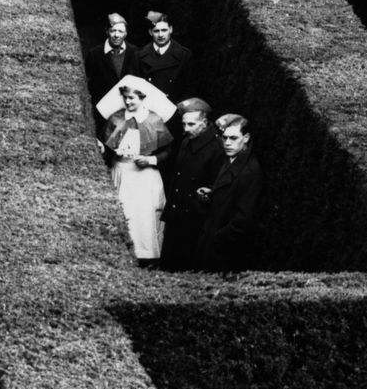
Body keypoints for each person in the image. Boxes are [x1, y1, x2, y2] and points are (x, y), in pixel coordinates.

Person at [96, 75, 175, 267]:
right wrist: (103, 148)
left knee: (145, 216)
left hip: (145, 176)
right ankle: (120, 254)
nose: (128, 101)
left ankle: (147, 257)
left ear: (142, 98)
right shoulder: (116, 118)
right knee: (123, 211)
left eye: (132, 98)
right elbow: (107, 145)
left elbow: (168, 150)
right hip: (122, 171)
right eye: (126, 98)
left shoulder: (154, 120)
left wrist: (150, 159)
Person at [162, 97, 220, 271]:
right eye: (184, 124)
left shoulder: (216, 148)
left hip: (194, 218)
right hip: (177, 213)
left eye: (191, 124)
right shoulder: (187, 141)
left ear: (205, 122)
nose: (186, 129)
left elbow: (216, 183)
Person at [199, 113, 262, 272]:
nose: (227, 143)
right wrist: (211, 193)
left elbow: (244, 217)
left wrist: (218, 239)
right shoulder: (230, 160)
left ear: (246, 138)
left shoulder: (250, 171)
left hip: (226, 251)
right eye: (224, 138)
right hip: (214, 241)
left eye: (233, 138)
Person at [132, 12, 194, 103]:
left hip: (174, 108)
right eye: (156, 31)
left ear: (171, 29)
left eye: (164, 30)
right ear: (150, 32)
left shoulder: (184, 55)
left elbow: (189, 88)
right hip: (148, 109)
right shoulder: (139, 55)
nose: (160, 35)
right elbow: (134, 88)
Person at [84, 12, 136, 107]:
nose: (116, 35)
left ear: (126, 33)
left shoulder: (134, 52)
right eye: (113, 31)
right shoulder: (94, 54)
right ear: (107, 31)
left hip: (127, 107)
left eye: (120, 31)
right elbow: (87, 82)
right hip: (102, 107)